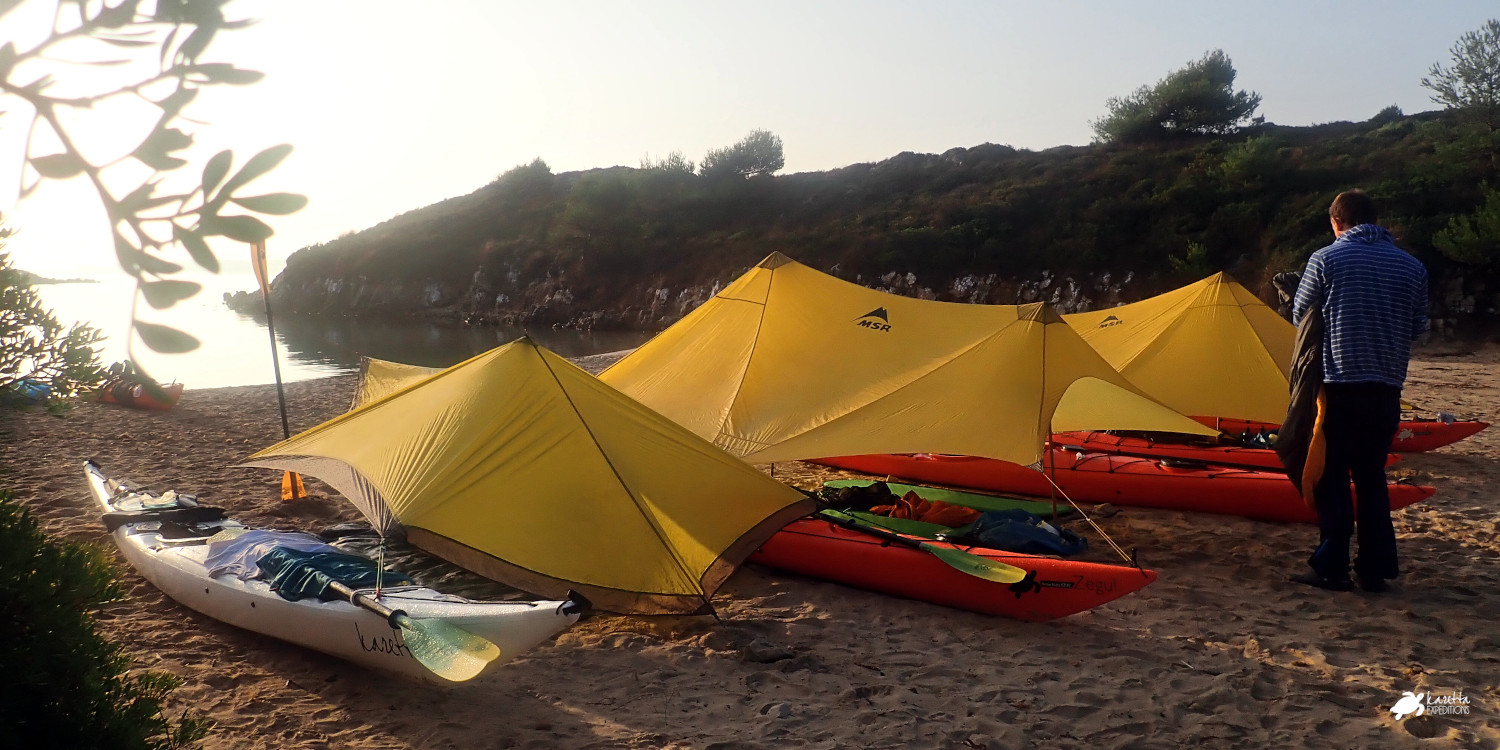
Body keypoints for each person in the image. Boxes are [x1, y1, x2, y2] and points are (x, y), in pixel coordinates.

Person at [1288, 190, 1427, 593]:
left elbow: (1302, 315)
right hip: (1387, 385)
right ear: (1375, 219)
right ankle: (1375, 568)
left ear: (1336, 222)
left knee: (1332, 477)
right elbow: (1418, 327)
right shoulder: (1412, 266)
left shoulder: (1326, 259)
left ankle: (1331, 566)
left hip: (1339, 383)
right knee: (1371, 477)